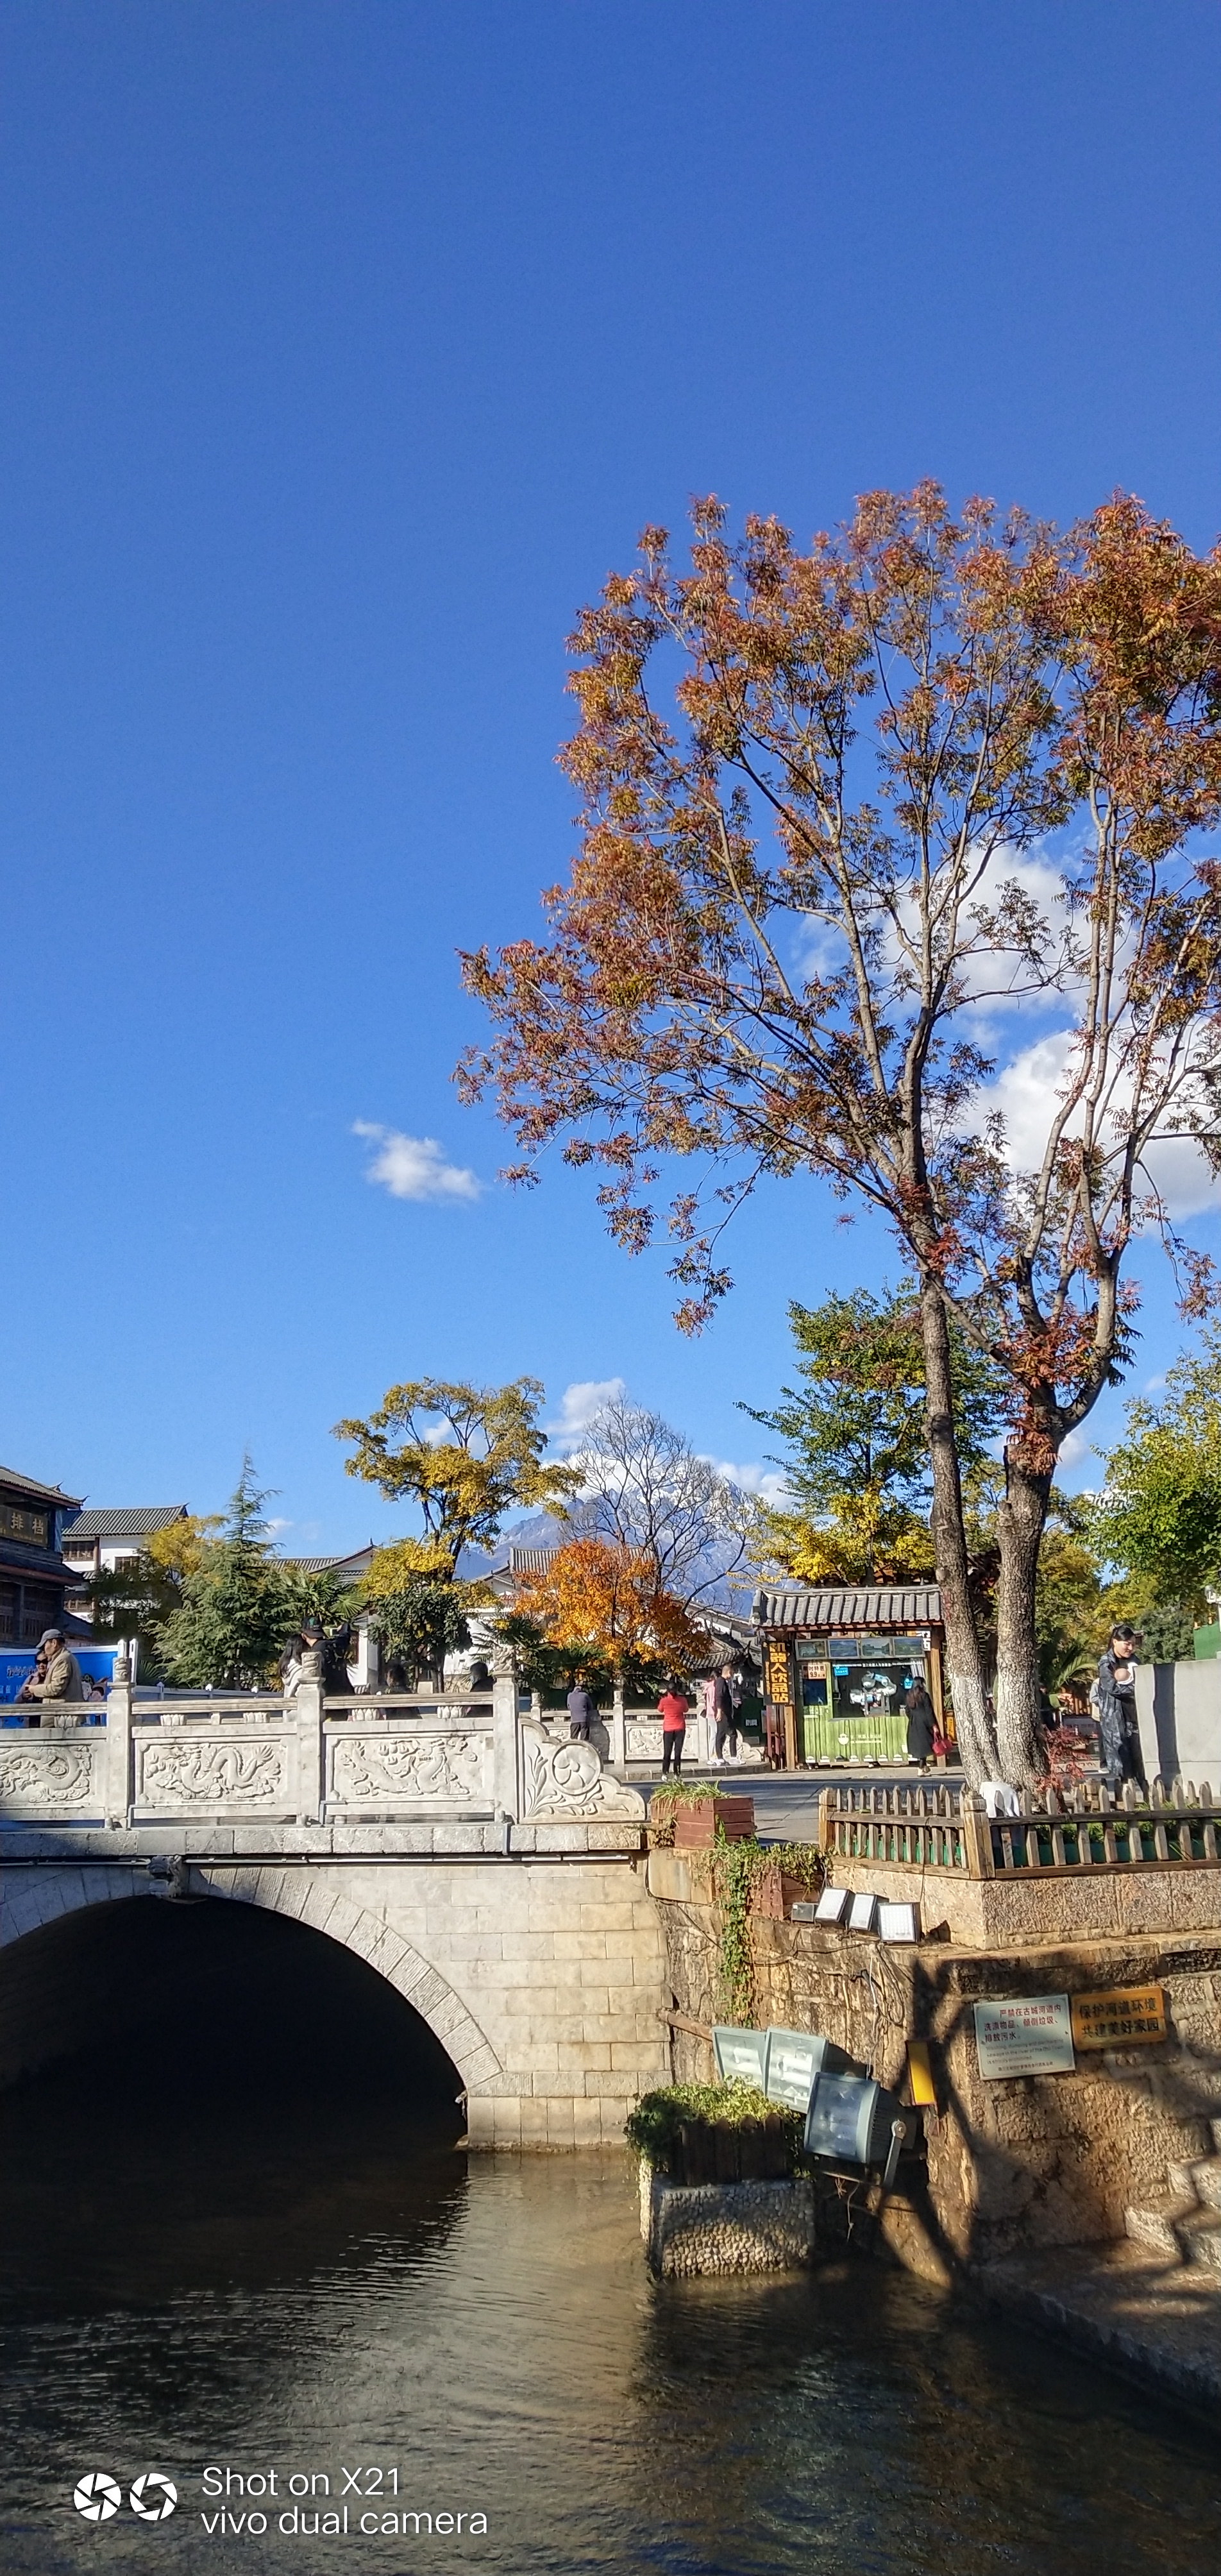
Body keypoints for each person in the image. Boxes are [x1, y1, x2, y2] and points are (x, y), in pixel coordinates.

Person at [1096, 1624, 1147, 1790]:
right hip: (1115, 1718)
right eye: (1127, 1644)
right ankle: (1126, 1790)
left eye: (1133, 1644)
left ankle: (1146, 1792)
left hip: (1135, 1715)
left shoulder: (1135, 1661)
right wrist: (1135, 1689)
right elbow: (1112, 1688)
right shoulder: (1106, 1663)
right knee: (1122, 1758)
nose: (1130, 1648)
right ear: (1115, 1642)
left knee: (1139, 1757)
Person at [17, 1628, 85, 1726]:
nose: (44, 1650)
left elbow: (56, 1689)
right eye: (38, 1662)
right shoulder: (64, 1658)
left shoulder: (63, 1659)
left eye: (44, 1646)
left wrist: (34, 1689)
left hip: (60, 1719)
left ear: (54, 1643)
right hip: (60, 1718)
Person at [657, 1678, 688, 1776]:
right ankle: (677, 1774)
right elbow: (686, 1710)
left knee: (667, 1752)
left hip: (668, 1729)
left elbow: (660, 1710)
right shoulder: (682, 1700)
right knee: (678, 1753)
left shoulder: (664, 1701)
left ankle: (665, 1773)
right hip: (680, 1727)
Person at [904, 1677, 936, 1769]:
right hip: (924, 1721)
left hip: (913, 1722)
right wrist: (933, 1724)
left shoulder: (909, 1695)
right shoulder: (924, 1695)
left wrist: (912, 1718)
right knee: (925, 1744)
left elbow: (907, 1710)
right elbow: (929, 1711)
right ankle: (921, 1768)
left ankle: (924, 1767)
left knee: (919, 1744)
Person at [713, 1664, 739, 1765]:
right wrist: (719, 1710)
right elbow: (719, 1696)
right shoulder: (721, 1682)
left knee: (723, 1734)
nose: (733, 1674)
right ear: (729, 1672)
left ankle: (721, 1757)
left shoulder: (723, 1682)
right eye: (732, 1672)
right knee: (730, 1734)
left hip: (725, 1712)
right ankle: (730, 1757)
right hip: (723, 1712)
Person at [566, 1678, 598, 1742]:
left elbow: (569, 1707)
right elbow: (590, 1707)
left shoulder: (570, 1696)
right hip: (584, 1719)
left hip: (574, 1720)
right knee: (584, 1740)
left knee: (573, 1740)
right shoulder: (585, 1695)